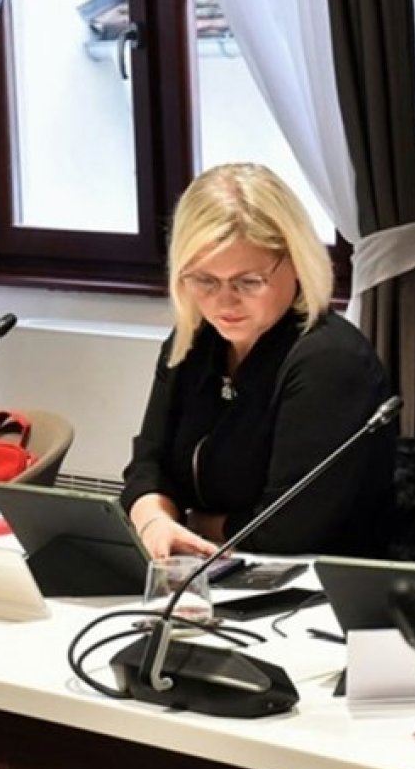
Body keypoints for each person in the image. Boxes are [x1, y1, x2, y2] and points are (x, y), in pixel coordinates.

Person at [122, 163, 395, 561]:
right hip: (209, 566)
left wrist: (194, 525)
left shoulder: (330, 361)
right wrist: (154, 523)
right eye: (204, 280)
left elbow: (288, 530)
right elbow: (147, 466)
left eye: (248, 282)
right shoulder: (194, 341)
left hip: (315, 579)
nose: (224, 302)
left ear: (297, 262)